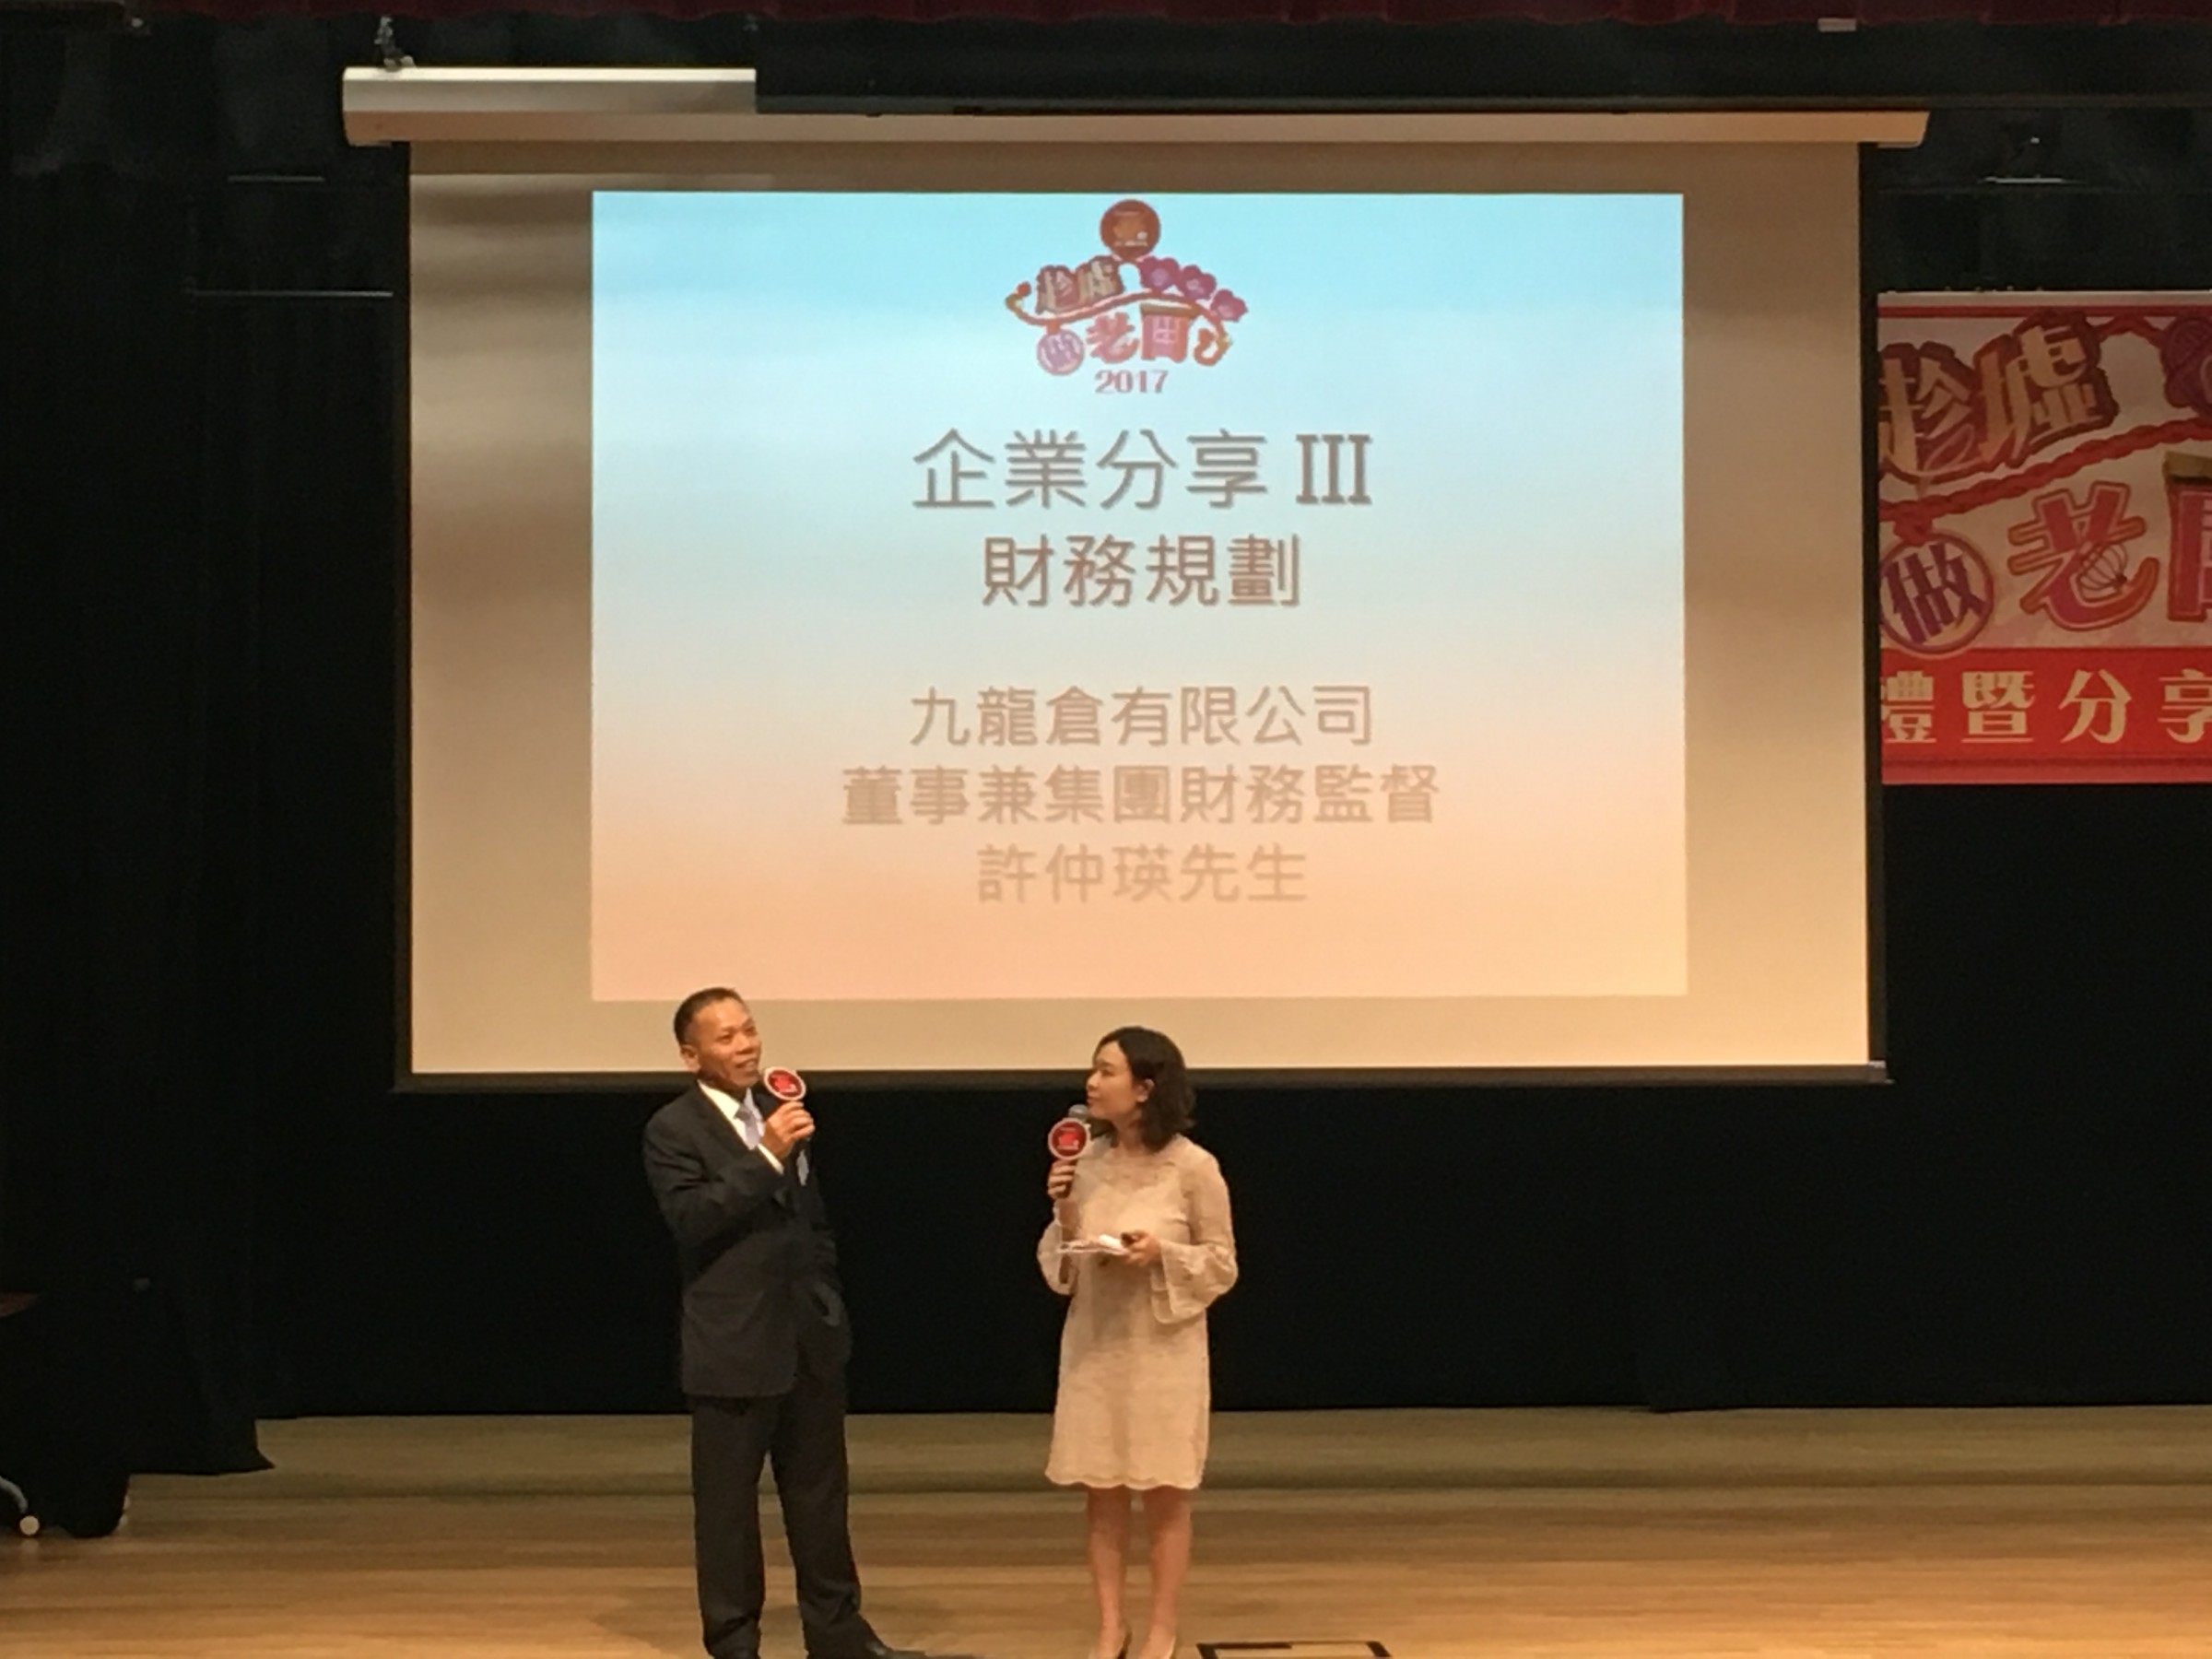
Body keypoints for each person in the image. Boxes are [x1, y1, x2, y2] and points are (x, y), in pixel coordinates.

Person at [643, 987, 915, 1659]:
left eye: (749, 1030)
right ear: (691, 1056)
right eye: (727, 1037)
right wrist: (765, 1156)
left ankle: (838, 1634)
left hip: (807, 1337)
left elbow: (811, 1220)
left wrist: (826, 1298)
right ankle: (735, 1641)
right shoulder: (673, 1129)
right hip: (732, 1343)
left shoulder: (777, 1108)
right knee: (728, 1510)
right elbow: (692, 1219)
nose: (746, 1046)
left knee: (821, 1500)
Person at [1040, 1028, 1238, 1659]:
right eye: (1093, 1070)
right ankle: (1110, 1625)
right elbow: (1060, 1268)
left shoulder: (1193, 1167)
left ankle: (1161, 1627)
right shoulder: (1086, 1162)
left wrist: (1161, 1254)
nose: (1092, 1083)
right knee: (1102, 1491)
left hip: (1163, 1351)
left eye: (1107, 1071)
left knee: (1164, 1492)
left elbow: (1222, 1264)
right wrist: (1066, 1213)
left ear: (1145, 1088)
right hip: (1097, 1345)